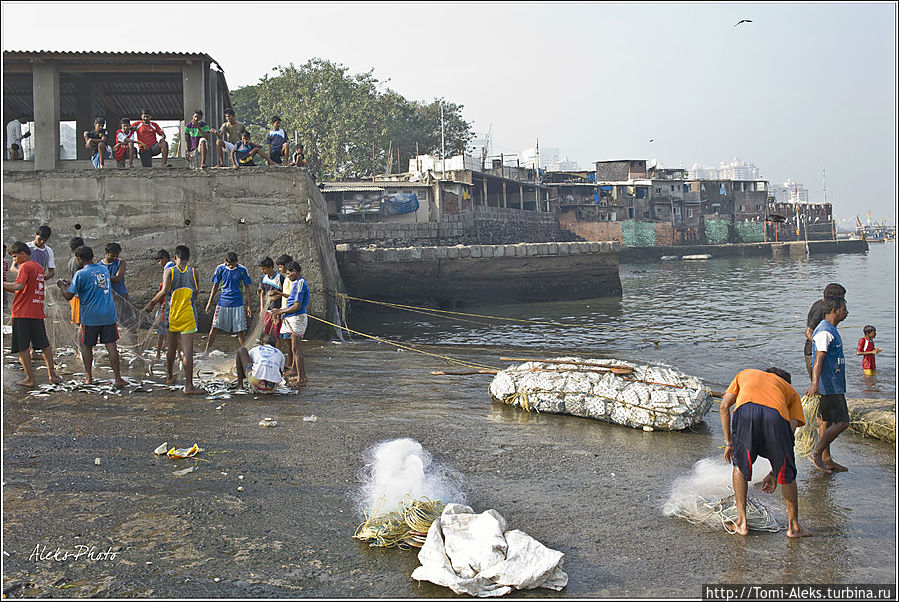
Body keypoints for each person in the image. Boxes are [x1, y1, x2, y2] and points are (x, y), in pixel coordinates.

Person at [720, 367, 811, 538]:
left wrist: (729, 443)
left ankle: (742, 523)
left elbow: (724, 406)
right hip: (776, 417)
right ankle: (794, 527)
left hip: (745, 412)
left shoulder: (745, 374)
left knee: (740, 465)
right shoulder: (790, 391)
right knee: (788, 473)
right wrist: (776, 472)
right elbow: (788, 438)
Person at [56, 245, 127, 387]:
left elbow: (69, 296)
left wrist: (62, 286)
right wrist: (72, 284)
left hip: (90, 316)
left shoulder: (80, 274)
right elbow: (93, 285)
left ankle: (89, 377)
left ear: (79, 259)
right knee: (111, 346)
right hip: (108, 314)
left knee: (87, 346)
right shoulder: (104, 270)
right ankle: (118, 379)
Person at [144, 245, 202, 394]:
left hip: (172, 315)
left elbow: (164, 291)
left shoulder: (169, 271)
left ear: (175, 258)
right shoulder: (194, 272)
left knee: (171, 347)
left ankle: (169, 377)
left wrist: (152, 303)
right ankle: (189, 386)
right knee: (187, 351)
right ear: (188, 258)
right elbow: (195, 294)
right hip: (188, 315)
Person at [3, 242, 61, 386]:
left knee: (23, 346)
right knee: (44, 344)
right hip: (36, 311)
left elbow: (19, 286)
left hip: (22, 312)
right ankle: (52, 375)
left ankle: (30, 379)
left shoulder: (25, 266)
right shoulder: (38, 267)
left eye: (15, 257)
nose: (15, 260)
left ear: (23, 254)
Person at [806, 296, 850, 473]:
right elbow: (818, 359)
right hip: (828, 387)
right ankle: (817, 453)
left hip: (833, 385)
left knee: (827, 420)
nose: (846, 313)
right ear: (834, 310)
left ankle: (825, 458)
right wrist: (815, 384)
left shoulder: (830, 329)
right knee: (843, 422)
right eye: (844, 309)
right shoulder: (824, 331)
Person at [204, 252, 253, 353]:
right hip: (223, 302)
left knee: (240, 330)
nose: (231, 266)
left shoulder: (242, 270)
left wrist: (249, 305)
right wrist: (209, 302)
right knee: (214, 327)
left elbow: (247, 287)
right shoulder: (220, 269)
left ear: (237, 262)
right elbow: (215, 286)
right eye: (229, 264)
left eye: (233, 264)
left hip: (237, 303)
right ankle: (206, 351)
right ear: (225, 262)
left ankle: (245, 353)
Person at [271, 261, 309, 386]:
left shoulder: (300, 284)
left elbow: (297, 306)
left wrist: (281, 311)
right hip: (292, 317)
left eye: (288, 274)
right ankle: (300, 376)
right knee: (294, 348)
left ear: (295, 272)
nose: (287, 276)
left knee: (296, 349)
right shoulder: (297, 283)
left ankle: (302, 379)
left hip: (296, 318)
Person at [804, 283, 846, 381]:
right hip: (813, 352)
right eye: (841, 299)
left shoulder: (821, 306)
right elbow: (808, 332)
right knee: (821, 384)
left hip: (822, 351)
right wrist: (821, 346)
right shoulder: (820, 308)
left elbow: (807, 322)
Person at [100, 242, 136, 331]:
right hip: (107, 298)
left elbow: (118, 278)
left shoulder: (121, 262)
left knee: (129, 322)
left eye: (116, 256)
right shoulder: (99, 266)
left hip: (121, 295)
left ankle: (135, 343)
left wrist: (104, 277)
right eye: (112, 256)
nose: (114, 258)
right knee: (112, 323)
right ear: (106, 253)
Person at [154, 249, 175, 360]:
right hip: (169, 304)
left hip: (167, 305)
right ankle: (176, 355)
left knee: (163, 331)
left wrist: (155, 303)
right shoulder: (173, 267)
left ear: (163, 259)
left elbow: (165, 290)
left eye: (159, 261)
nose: (159, 264)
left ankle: (159, 354)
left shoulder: (168, 267)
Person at [66, 236, 85, 326]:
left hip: (77, 295)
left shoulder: (73, 260)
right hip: (77, 296)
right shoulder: (76, 261)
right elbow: (77, 279)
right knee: (79, 324)